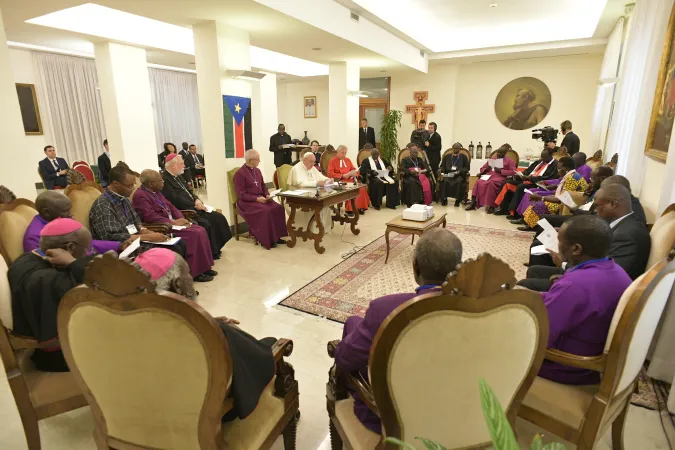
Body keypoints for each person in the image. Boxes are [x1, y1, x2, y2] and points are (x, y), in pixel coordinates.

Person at [333, 228, 463, 433]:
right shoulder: (480, 308)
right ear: (460, 268)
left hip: (393, 423)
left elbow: (344, 359)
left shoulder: (385, 310)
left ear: (415, 267)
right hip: (458, 413)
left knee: (353, 324)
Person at [133, 248, 277, 421]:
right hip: (204, 416)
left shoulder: (127, 325)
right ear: (177, 286)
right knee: (260, 348)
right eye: (189, 274)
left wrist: (209, 319)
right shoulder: (205, 334)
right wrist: (218, 327)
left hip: (151, 411)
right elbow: (261, 364)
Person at [534, 215, 631, 385]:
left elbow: (540, 336)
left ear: (576, 249)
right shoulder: (617, 271)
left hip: (567, 366)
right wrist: (531, 296)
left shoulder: (573, 285)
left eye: (560, 241)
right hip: (591, 354)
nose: (558, 245)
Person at [520, 184, 650, 291]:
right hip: (589, 273)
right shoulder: (620, 221)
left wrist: (565, 266)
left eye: (597, 205)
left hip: (593, 289)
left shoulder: (628, 235)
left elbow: (607, 278)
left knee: (524, 285)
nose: (595, 210)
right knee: (534, 271)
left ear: (613, 204)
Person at [9, 218, 95, 371]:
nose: (88, 253)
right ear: (70, 247)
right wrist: (73, 263)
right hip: (63, 357)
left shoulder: (25, 258)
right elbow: (96, 285)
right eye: (87, 248)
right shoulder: (54, 280)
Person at [133, 170, 218, 282]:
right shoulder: (140, 196)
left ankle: (204, 267)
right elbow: (150, 217)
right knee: (194, 234)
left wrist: (180, 218)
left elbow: (171, 206)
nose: (163, 182)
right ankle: (195, 272)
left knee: (201, 229)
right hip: (162, 226)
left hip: (174, 223)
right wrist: (172, 222)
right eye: (160, 180)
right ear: (151, 184)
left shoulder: (157, 192)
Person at [89, 166, 186, 257]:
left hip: (136, 239)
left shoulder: (124, 199)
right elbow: (111, 238)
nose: (133, 189)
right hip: (123, 248)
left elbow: (137, 222)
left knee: (180, 243)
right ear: (115, 184)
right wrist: (148, 237)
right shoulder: (103, 205)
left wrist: (149, 232)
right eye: (130, 186)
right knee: (171, 250)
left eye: (133, 184)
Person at [162, 154, 232, 259]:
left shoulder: (178, 176)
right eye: (181, 163)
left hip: (194, 206)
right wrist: (194, 205)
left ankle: (215, 248)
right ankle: (211, 253)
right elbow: (174, 199)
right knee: (206, 224)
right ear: (173, 165)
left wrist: (197, 199)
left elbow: (189, 191)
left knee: (218, 217)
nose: (184, 165)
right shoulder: (165, 180)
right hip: (185, 210)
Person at [24, 191, 122, 255]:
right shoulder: (35, 236)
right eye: (65, 211)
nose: (70, 214)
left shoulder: (63, 219)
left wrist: (118, 245)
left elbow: (86, 242)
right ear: (47, 212)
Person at [234, 150, 288, 249]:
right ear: (251, 160)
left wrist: (267, 195)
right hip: (247, 202)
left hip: (261, 198)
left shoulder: (257, 171)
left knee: (278, 208)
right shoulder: (239, 174)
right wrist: (256, 198)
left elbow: (263, 186)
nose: (259, 161)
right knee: (266, 211)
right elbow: (241, 194)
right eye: (258, 159)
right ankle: (265, 239)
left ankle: (276, 237)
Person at [517, 157, 587, 230]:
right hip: (564, 202)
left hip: (567, 206)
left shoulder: (572, 178)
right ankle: (530, 224)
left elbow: (562, 199)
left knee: (539, 205)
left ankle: (532, 226)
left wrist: (541, 198)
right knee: (538, 201)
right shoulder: (571, 175)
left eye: (559, 169)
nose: (558, 171)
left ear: (566, 169)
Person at [493, 148, 558, 216]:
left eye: (544, 157)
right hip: (527, 180)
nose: (543, 159)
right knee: (507, 183)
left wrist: (530, 178)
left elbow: (548, 178)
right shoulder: (540, 162)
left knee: (521, 187)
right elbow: (528, 170)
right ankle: (504, 209)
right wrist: (521, 175)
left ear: (551, 155)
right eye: (542, 157)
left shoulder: (554, 165)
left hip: (536, 184)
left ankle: (515, 213)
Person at [287, 152, 333, 233]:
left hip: (311, 194)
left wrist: (328, 180)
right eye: (311, 161)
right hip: (299, 198)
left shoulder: (312, 167)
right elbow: (301, 184)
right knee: (320, 204)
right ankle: (315, 230)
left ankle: (323, 228)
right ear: (304, 160)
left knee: (325, 203)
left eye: (314, 162)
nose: (313, 164)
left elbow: (320, 177)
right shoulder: (296, 169)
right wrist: (317, 183)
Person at [465, 144, 517, 212]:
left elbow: (513, 172)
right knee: (479, 181)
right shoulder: (493, 159)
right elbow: (482, 168)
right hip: (489, 175)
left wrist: (501, 171)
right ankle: (473, 203)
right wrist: (486, 169)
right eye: (498, 152)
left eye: (501, 153)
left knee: (491, 183)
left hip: (500, 177)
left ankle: (491, 206)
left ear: (505, 154)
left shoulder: (509, 161)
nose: (499, 154)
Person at [328, 145, 370, 215]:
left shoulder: (347, 160)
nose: (344, 155)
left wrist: (354, 173)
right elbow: (330, 174)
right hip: (340, 181)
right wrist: (342, 175)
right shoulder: (333, 161)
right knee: (350, 189)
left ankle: (359, 207)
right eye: (342, 153)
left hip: (350, 180)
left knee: (361, 188)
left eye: (345, 153)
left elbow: (353, 169)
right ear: (337, 152)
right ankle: (349, 210)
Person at [438, 142, 470, 207]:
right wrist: (441, 170)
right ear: (452, 148)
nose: (455, 149)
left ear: (459, 149)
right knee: (445, 181)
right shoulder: (447, 156)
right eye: (454, 148)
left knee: (458, 182)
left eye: (457, 148)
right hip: (448, 174)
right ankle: (444, 199)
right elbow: (442, 166)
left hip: (458, 175)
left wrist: (459, 172)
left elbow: (467, 167)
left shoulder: (463, 157)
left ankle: (457, 200)